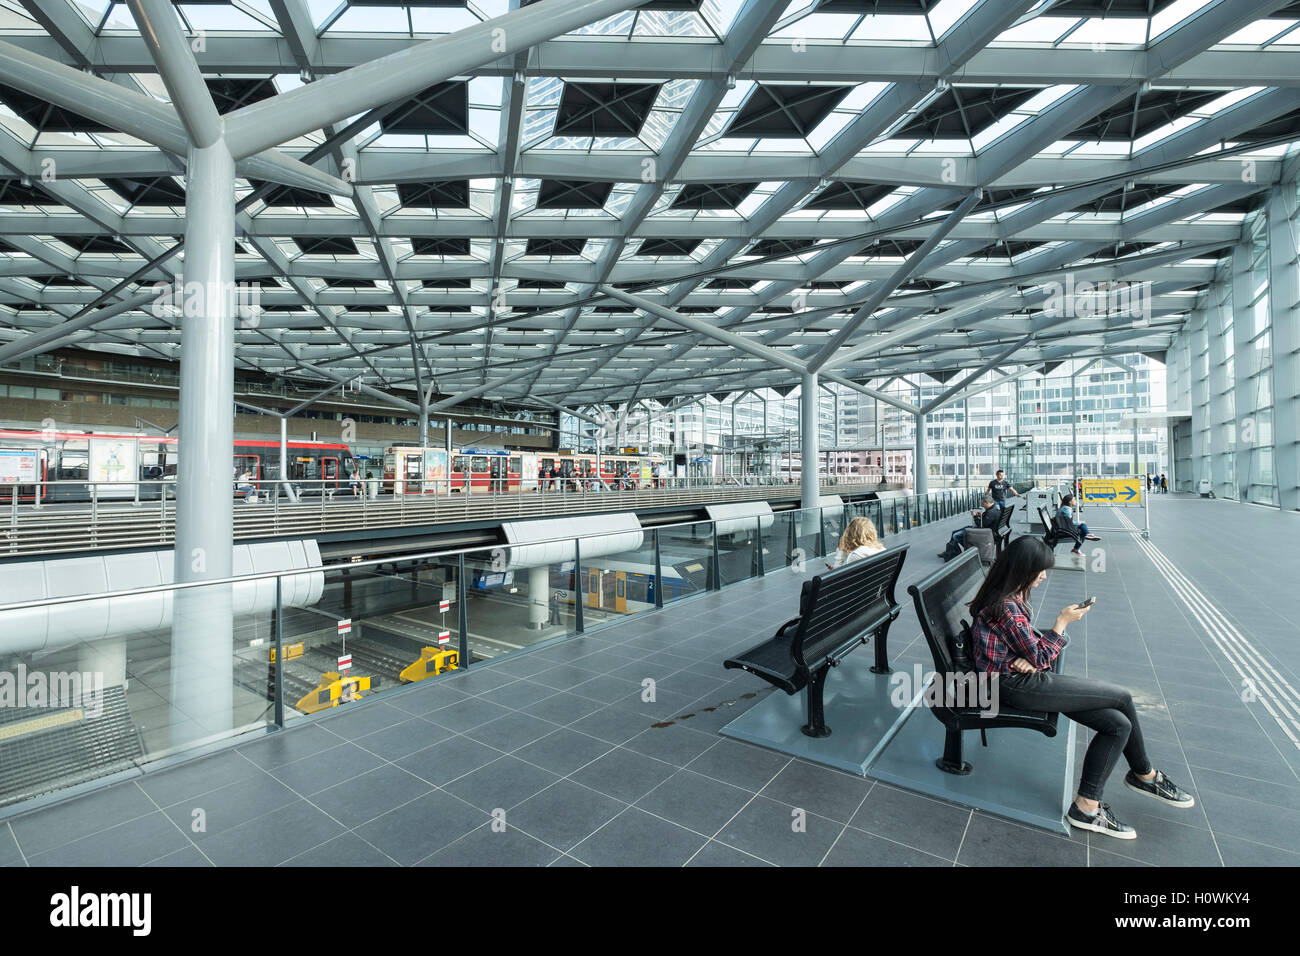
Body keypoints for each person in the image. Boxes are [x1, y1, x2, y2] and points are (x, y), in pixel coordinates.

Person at [969, 537, 1195, 839]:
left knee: (1118, 724)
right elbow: (1041, 655)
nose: (1043, 576)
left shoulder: (1004, 596)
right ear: (1023, 570)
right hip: (1013, 687)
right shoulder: (1007, 607)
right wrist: (1061, 623)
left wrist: (1027, 657)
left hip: (1016, 678)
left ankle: (1087, 806)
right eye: (1040, 571)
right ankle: (1145, 776)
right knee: (1122, 697)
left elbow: (1031, 652)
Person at [939, 494, 999, 561]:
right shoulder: (994, 509)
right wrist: (980, 516)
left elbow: (980, 525)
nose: (981, 504)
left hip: (984, 532)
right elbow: (986, 522)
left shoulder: (990, 512)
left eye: (982, 503)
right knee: (954, 532)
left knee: (956, 535)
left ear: (987, 503)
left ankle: (965, 552)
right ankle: (949, 552)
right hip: (987, 530)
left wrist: (975, 516)